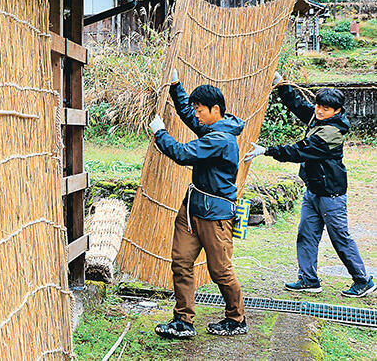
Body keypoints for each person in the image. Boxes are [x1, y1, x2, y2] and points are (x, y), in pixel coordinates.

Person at [244, 73, 375, 298]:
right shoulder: (319, 117)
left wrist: (267, 150)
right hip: (313, 190)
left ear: (337, 111)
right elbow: (299, 106)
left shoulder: (331, 133)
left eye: (325, 108)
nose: (319, 111)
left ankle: (363, 281)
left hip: (331, 194)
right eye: (318, 106)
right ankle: (308, 279)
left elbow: (299, 150)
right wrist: (281, 84)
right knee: (306, 234)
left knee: (339, 238)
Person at [151, 69, 247, 339]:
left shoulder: (220, 139)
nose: (195, 114)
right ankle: (183, 321)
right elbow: (185, 112)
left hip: (215, 215)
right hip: (191, 210)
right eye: (195, 109)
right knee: (181, 262)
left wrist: (160, 133)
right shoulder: (212, 128)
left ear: (215, 110)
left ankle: (236, 319)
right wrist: (176, 85)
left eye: (199, 110)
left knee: (220, 270)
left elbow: (182, 154)